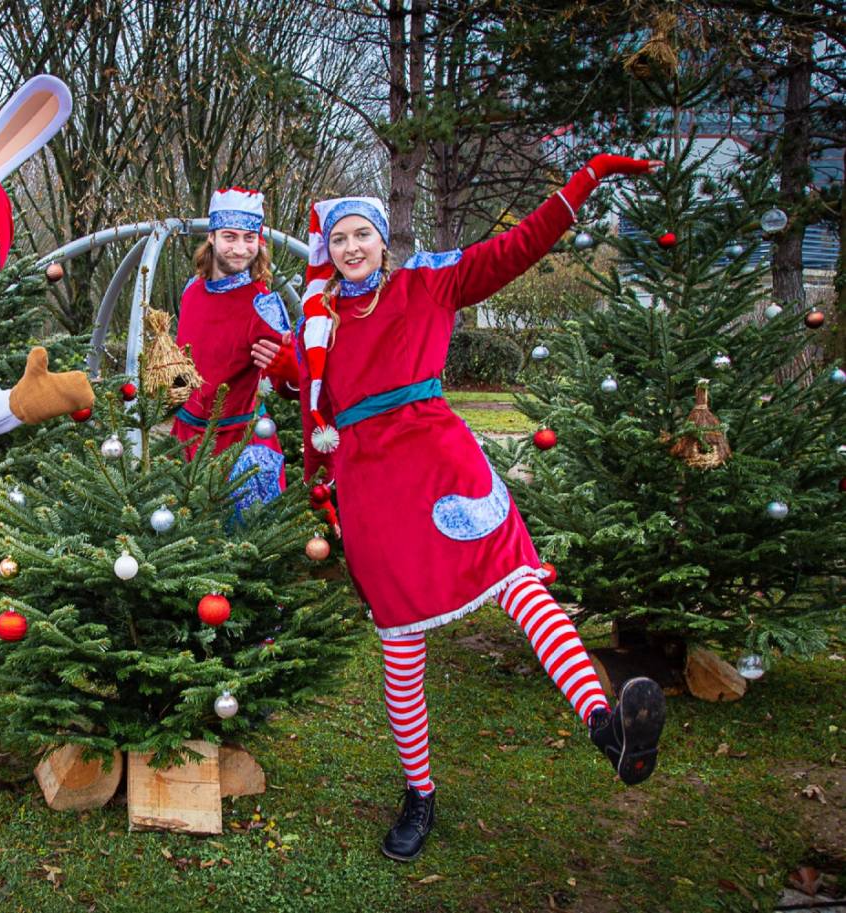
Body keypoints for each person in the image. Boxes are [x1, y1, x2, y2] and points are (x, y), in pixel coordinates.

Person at [294, 154, 668, 862]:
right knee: (401, 650)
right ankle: (420, 792)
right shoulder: (318, 326)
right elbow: (310, 401)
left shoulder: (431, 282)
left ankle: (604, 724)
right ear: (328, 249)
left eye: (361, 234)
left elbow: (517, 247)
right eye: (337, 238)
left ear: (382, 239)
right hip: (372, 488)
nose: (350, 247)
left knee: (521, 583)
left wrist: (588, 176)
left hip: (443, 463)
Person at [172, 187, 300, 509]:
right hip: (184, 439)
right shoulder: (191, 291)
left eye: (248, 238)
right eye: (230, 236)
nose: (240, 248)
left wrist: (285, 364)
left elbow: (296, 384)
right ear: (212, 237)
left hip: (239, 449)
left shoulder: (264, 305)